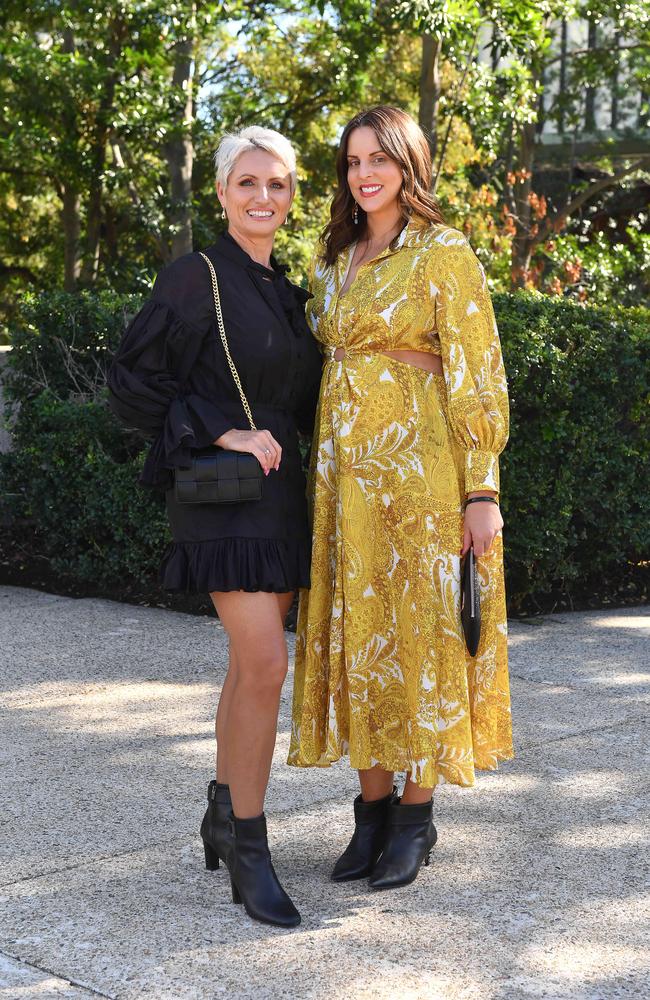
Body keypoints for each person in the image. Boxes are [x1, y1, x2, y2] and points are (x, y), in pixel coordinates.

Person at [289, 106, 514, 889]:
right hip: (342, 486)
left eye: (379, 159)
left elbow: (476, 372)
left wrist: (481, 487)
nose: (364, 174)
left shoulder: (443, 252)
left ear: (409, 165)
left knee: (423, 638)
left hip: (421, 478)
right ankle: (371, 813)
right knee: (362, 637)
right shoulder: (335, 255)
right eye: (353, 162)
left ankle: (416, 820)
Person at [108, 126, 322, 927]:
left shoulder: (287, 288)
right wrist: (221, 427)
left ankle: (224, 812)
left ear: (292, 196)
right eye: (248, 182)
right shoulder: (194, 277)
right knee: (267, 665)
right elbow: (130, 386)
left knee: (249, 668)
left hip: (282, 496)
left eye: (278, 185)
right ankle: (252, 848)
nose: (263, 197)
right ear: (222, 191)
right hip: (221, 493)